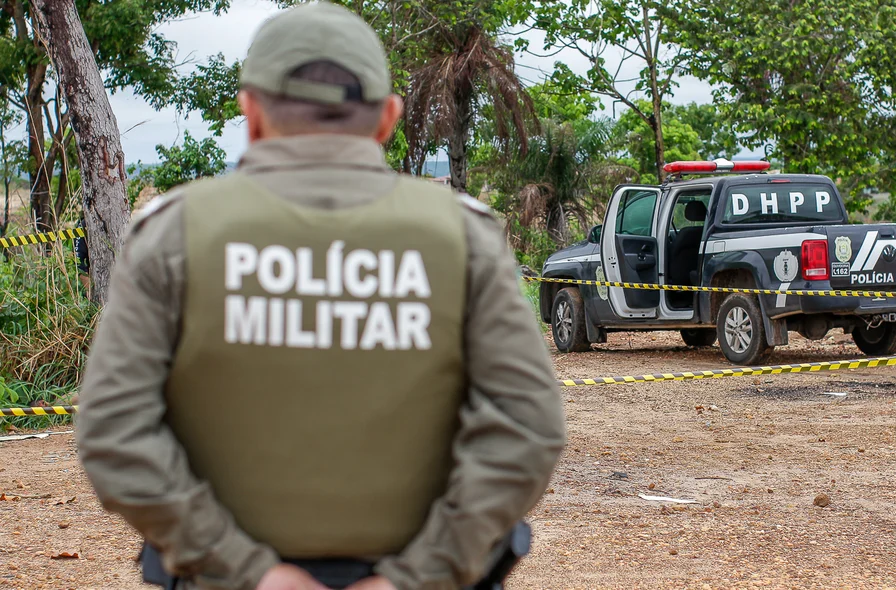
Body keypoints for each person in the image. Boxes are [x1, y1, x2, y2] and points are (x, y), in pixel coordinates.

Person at [74, 2, 566, 589]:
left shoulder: (173, 234)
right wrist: (417, 575)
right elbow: (527, 427)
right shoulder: (463, 237)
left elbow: (113, 433)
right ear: (387, 119)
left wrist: (245, 568)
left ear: (250, 113)